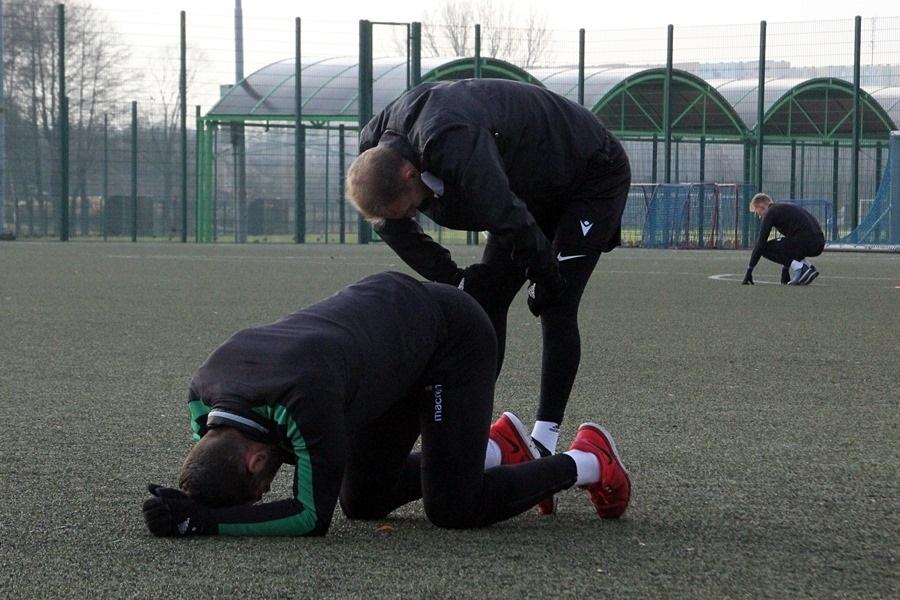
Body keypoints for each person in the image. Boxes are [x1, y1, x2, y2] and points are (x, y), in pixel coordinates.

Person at [141, 272, 632, 537]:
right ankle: (494, 449)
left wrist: (207, 522)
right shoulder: (201, 400)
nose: (270, 488)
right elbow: (225, 462)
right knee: (363, 500)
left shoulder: (302, 405)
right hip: (383, 353)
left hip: (449, 337)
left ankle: (588, 460)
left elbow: (311, 518)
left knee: (455, 506)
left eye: (260, 487)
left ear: (254, 459)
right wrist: (195, 505)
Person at [345, 79, 632, 515]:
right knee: (480, 302)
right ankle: (473, 430)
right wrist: (454, 279)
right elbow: (396, 225)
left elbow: (503, 212)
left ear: (408, 174)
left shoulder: (452, 142)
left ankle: (546, 441)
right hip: (525, 185)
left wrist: (547, 277)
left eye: (406, 208)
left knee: (556, 303)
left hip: (588, 172)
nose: (408, 217)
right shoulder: (376, 153)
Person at [742, 193, 825, 286]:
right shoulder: (784, 209)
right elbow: (789, 245)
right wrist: (785, 269)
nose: (759, 216)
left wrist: (749, 270)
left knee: (764, 248)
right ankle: (808, 267)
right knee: (786, 243)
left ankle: (801, 268)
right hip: (818, 243)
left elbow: (760, 243)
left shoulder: (771, 212)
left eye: (757, 212)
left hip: (806, 241)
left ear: (761, 205)